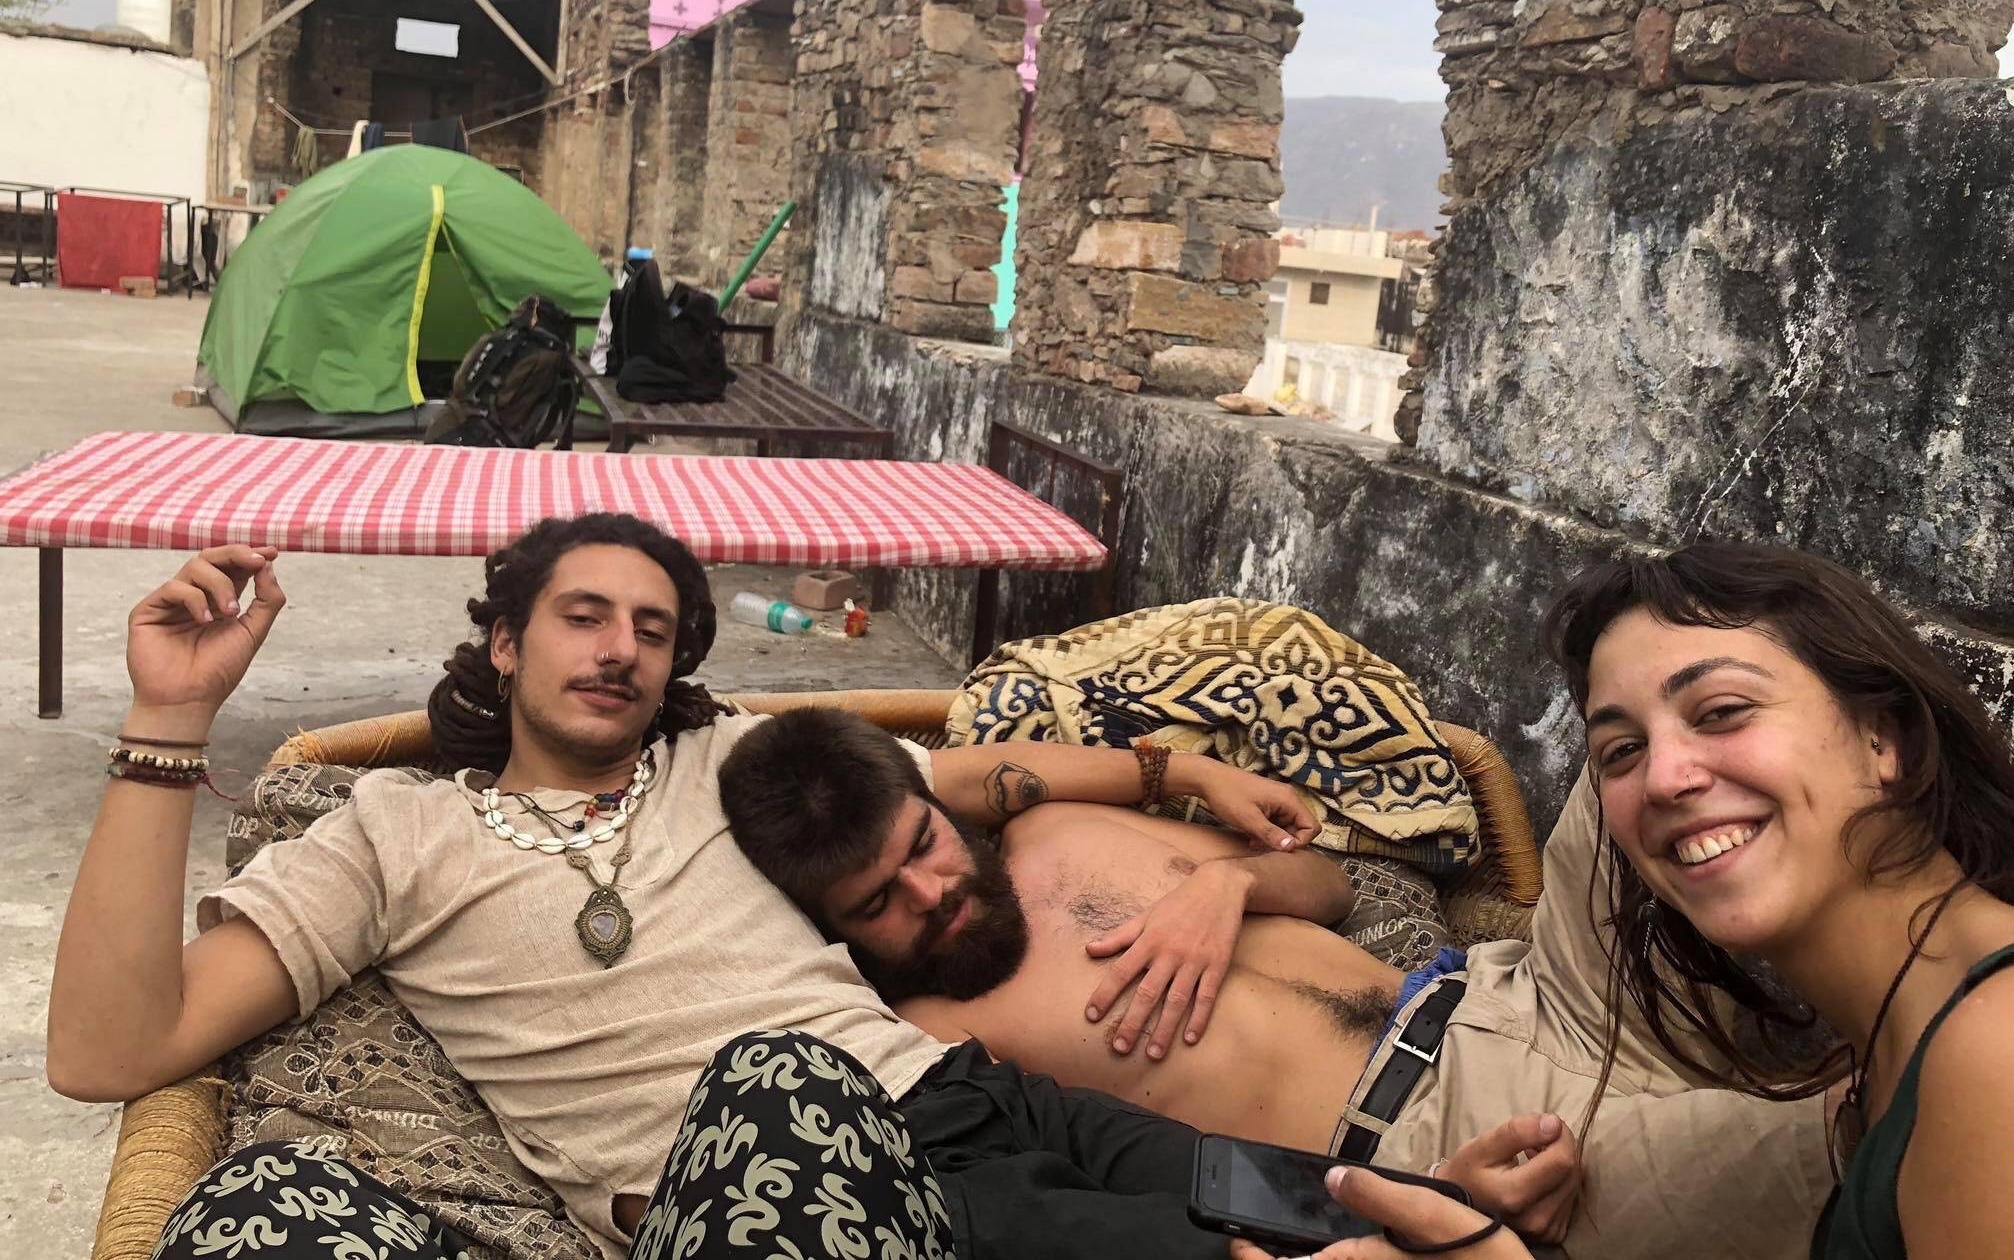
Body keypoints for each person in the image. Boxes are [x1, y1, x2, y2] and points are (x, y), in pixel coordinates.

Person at [46, 513, 1324, 1260]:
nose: (619, 650)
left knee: (1312, 1209)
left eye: (652, 630)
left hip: (969, 1117)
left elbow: (971, 780)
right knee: (255, 1211)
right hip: (736, 1204)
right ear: (504, 641)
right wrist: (170, 719)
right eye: (584, 617)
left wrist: (1175, 775)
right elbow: (113, 1049)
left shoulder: (728, 762)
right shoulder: (394, 834)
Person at [718, 707, 1840, 1258]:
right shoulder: (935, 1043)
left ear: (943, 806)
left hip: (1508, 989)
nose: (929, 893)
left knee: (1650, 717)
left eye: (923, 844)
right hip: (1447, 1138)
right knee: (1836, 1149)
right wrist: (1409, 1214)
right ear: (837, 930)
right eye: (879, 902)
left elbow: (1325, 882)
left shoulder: (1058, 826)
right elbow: (1107, 1202)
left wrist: (1228, 889)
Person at [1231, 541, 2014, 1260]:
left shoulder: (2011, 1044)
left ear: (1885, 738)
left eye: (1723, 712)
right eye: (1618, 752)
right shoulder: (1899, 1045)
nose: (1664, 777)